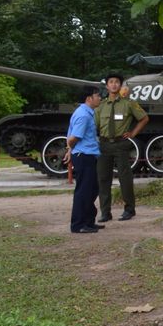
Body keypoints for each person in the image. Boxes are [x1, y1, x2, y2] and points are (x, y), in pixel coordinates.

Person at [96, 73, 149, 222]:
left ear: (120, 85)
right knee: (103, 179)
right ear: (107, 86)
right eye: (111, 82)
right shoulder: (101, 106)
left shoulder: (129, 103)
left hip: (121, 145)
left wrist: (132, 133)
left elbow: (144, 118)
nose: (114, 84)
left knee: (125, 178)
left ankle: (129, 210)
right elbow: (95, 125)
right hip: (104, 145)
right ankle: (105, 212)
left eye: (117, 82)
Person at [63, 86, 103, 234]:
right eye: (97, 95)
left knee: (92, 189)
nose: (100, 98)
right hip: (84, 156)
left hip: (87, 155)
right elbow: (73, 137)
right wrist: (71, 149)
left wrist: (70, 150)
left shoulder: (85, 112)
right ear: (89, 98)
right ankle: (78, 225)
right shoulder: (84, 115)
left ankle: (88, 221)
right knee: (84, 191)